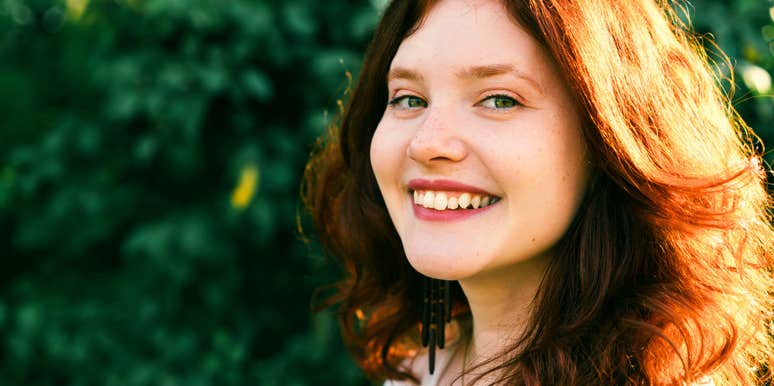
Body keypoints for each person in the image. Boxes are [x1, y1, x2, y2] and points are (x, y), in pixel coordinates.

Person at [302, 0, 774, 384]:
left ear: (610, 139)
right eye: (409, 99)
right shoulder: (424, 368)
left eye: (500, 99)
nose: (427, 143)